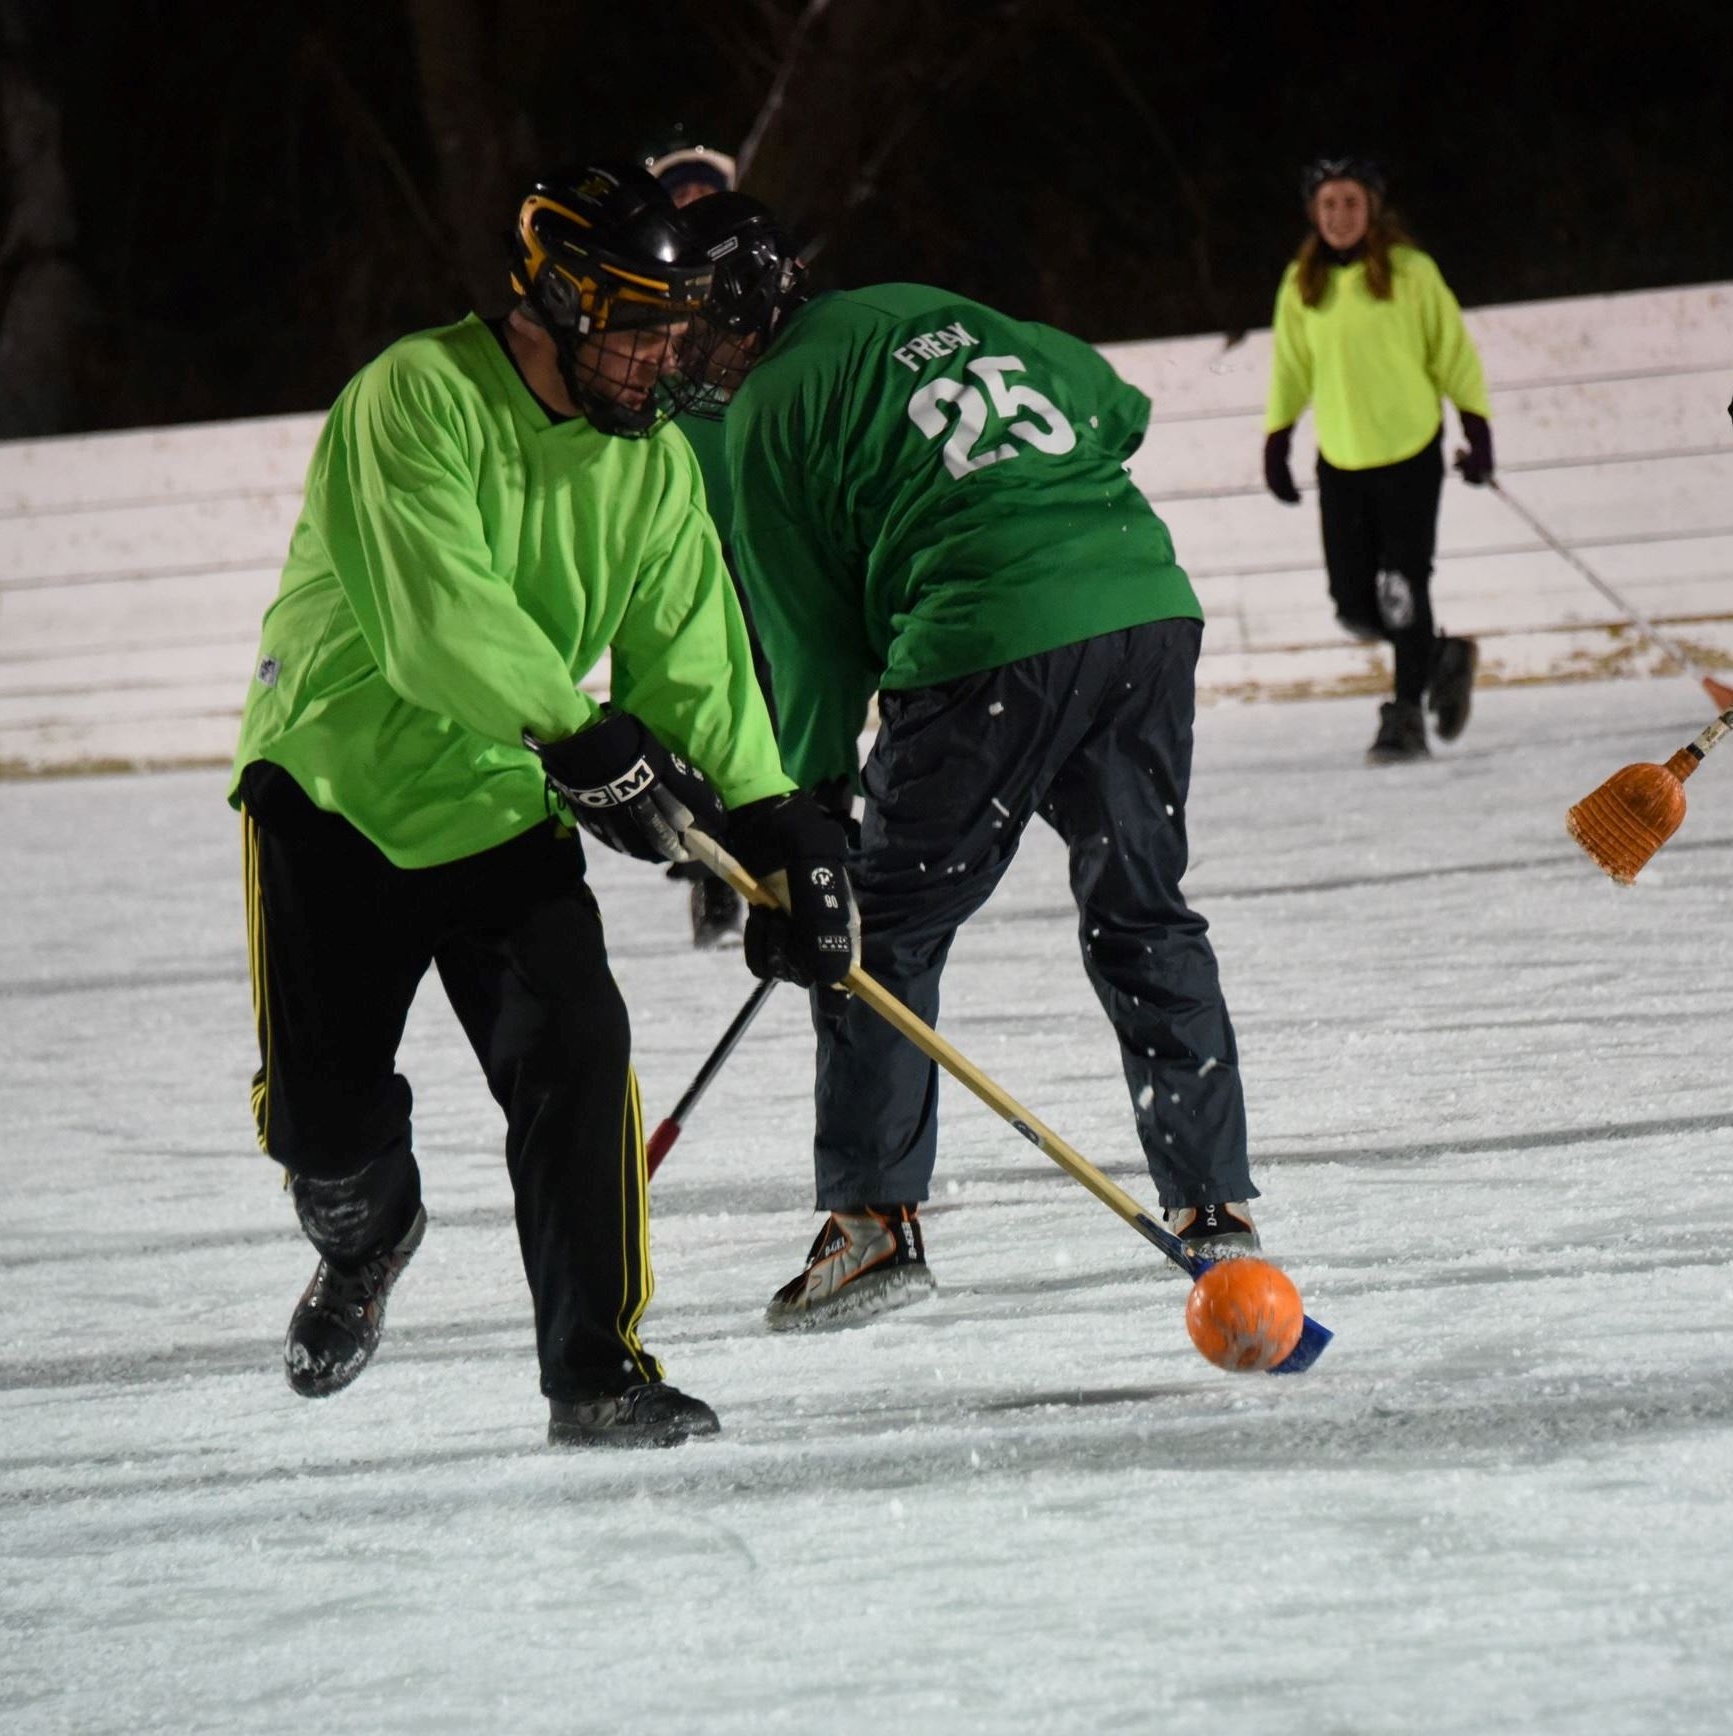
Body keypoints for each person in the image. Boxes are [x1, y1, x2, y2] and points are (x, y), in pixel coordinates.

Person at [230, 162, 852, 1445]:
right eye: (640, 324)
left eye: (678, 327)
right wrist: (583, 738)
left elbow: (691, 657)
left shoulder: (655, 463)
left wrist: (771, 821)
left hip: (503, 795)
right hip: (332, 786)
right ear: (558, 302)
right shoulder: (414, 396)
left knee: (578, 1052)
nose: (664, 356)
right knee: (322, 1124)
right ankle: (366, 1234)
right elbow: (433, 616)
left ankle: (597, 1370)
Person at [674, 194, 1262, 1330]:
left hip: (983, 641)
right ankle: (1214, 1203)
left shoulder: (764, 411)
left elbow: (810, 642)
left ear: (742, 311)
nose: (676, 352)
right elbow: (1114, 404)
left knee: (876, 934)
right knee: (1141, 909)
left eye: (690, 324)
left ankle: (870, 1221)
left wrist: (806, 818)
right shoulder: (924, 307)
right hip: (1144, 605)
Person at [1262, 155, 1493, 764]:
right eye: (1329, 204)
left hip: (1410, 455)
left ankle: (1404, 715)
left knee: (1403, 590)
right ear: (1314, 212)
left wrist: (1476, 427)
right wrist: (1278, 438)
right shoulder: (1301, 284)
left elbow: (1453, 352)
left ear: (1372, 208)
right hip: (1341, 459)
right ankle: (1441, 657)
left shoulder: (1410, 273)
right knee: (1354, 604)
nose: (1340, 216)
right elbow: (1291, 367)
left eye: (1351, 203)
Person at [643, 136, 754, 947]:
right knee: (690, 702)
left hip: (751, 534)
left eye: (702, 192)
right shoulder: (649, 306)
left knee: (763, 704)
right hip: (684, 540)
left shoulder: (749, 302)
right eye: (677, 193)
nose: (690, 203)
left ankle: (772, 847)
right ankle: (711, 863)